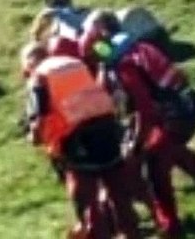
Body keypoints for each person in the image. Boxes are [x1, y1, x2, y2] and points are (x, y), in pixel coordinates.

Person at [80, 14, 195, 239]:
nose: (95, 60)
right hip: (184, 106)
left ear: (103, 40)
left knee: (156, 165)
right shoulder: (133, 49)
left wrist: (136, 144)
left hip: (177, 112)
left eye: (96, 52)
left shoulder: (126, 64)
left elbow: (144, 109)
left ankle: (171, 228)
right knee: (172, 151)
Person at [21, 41, 141, 239]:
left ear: (28, 64)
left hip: (79, 141)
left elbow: (39, 120)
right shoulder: (73, 62)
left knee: (87, 205)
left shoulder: (39, 77)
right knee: (119, 198)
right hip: (109, 130)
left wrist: (34, 137)